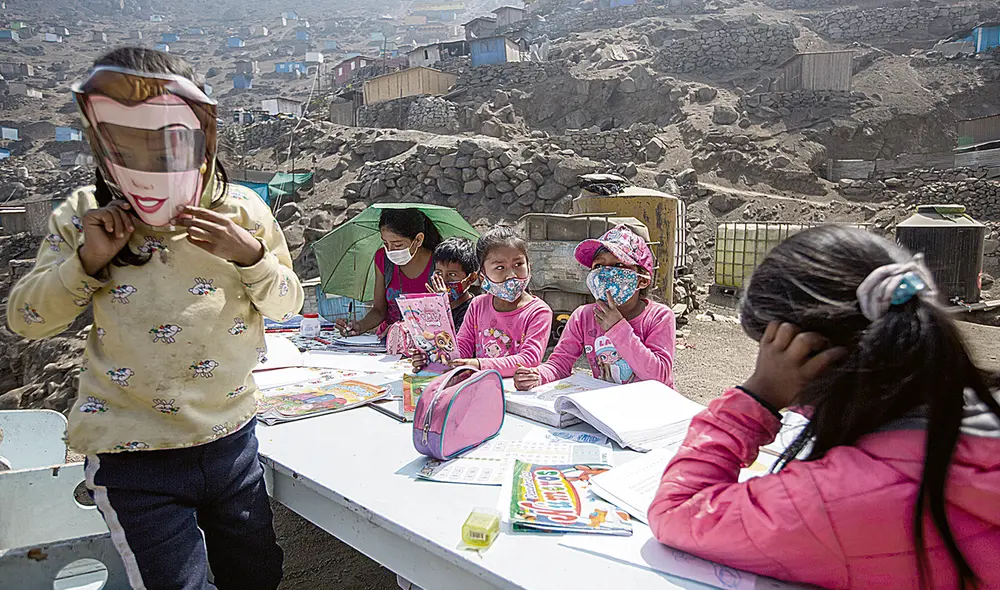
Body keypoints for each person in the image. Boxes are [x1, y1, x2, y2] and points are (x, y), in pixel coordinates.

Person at [7, 48, 301, 590]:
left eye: (166, 145)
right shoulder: (85, 217)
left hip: (231, 440)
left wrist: (250, 256)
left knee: (258, 573)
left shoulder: (242, 212)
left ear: (202, 136)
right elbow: (27, 319)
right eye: (126, 147)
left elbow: (287, 304)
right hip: (133, 454)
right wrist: (87, 261)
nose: (148, 166)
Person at [648, 226, 1000, 590]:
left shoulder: (840, 498)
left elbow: (677, 510)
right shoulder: (972, 411)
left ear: (810, 354)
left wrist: (760, 392)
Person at [514, 226, 675, 390]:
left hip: (651, 402)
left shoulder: (659, 316)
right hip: (605, 402)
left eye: (618, 265)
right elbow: (559, 364)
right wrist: (537, 376)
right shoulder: (583, 316)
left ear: (642, 280)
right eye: (598, 266)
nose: (605, 273)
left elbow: (659, 377)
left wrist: (617, 328)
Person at [412, 226, 552, 377]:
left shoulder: (538, 312)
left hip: (517, 388)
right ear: (482, 275)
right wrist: (432, 358)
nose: (511, 275)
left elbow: (529, 359)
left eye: (518, 264)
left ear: (529, 266)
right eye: (500, 267)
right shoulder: (477, 305)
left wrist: (478, 364)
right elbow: (461, 349)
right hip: (481, 385)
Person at [336, 208, 441, 337]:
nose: (390, 250)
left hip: (428, 339)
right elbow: (379, 310)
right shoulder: (382, 259)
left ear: (418, 240)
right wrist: (359, 326)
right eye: (385, 243)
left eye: (398, 245)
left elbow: (445, 315)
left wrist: (404, 328)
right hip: (388, 338)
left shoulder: (440, 264)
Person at [426, 236, 480, 331]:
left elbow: (449, 338)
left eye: (452, 274)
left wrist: (443, 305)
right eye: (439, 273)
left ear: (471, 278)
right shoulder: (432, 306)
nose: (444, 280)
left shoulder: (474, 310)